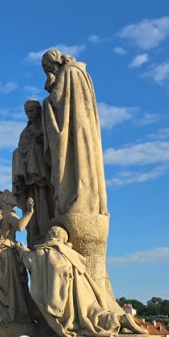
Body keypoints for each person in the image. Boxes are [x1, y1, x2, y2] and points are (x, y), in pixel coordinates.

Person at [17, 226, 139, 337]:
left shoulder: (42, 252)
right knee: (91, 313)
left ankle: (116, 319)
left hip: (62, 295)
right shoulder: (69, 253)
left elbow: (29, 260)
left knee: (77, 319)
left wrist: (21, 249)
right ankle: (118, 319)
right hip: (82, 289)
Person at [40, 49, 108, 221]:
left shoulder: (68, 72)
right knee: (78, 166)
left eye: (47, 67)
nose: (47, 71)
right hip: (80, 130)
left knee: (72, 168)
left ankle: (75, 202)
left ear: (53, 63)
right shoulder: (80, 72)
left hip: (73, 133)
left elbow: (58, 101)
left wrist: (48, 95)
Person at [0, 190, 38, 329]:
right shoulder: (10, 215)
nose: (14, 196)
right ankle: (10, 315)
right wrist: (29, 212)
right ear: (6, 201)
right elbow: (20, 226)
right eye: (11, 195)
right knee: (10, 288)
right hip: (6, 253)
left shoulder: (1, 215)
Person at [11, 99, 53, 248]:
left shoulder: (46, 127)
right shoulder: (25, 133)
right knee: (16, 152)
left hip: (45, 177)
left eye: (32, 110)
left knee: (46, 209)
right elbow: (21, 150)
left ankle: (47, 235)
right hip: (29, 181)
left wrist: (35, 147)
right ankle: (35, 239)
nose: (29, 114)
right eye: (27, 111)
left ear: (38, 110)